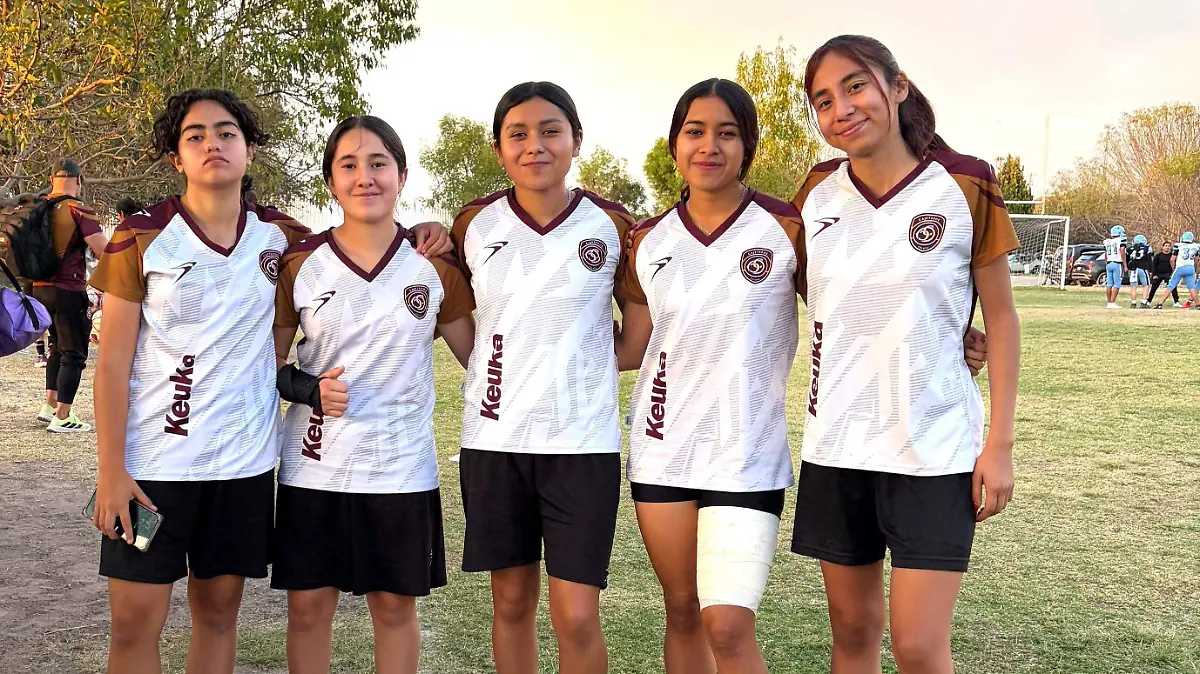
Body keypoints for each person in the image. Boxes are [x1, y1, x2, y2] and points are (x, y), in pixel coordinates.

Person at [614, 78, 991, 674]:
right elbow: (629, 346)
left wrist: (954, 338)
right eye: (694, 131)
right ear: (673, 145)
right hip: (662, 450)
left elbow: (861, 293)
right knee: (682, 611)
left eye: (727, 133)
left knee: (727, 624)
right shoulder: (645, 237)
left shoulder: (788, 224)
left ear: (749, 147)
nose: (708, 146)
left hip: (747, 454)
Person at [87, 87, 454, 674]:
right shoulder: (142, 236)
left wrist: (426, 229)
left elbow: (360, 240)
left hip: (243, 470)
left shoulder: (281, 240)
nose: (213, 144)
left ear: (250, 149)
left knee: (218, 614)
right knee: (134, 623)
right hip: (153, 470)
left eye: (227, 132)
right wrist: (110, 472)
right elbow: (111, 364)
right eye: (196, 136)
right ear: (176, 156)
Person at [790, 35, 1020, 674]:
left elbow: (1000, 319)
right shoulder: (816, 192)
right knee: (853, 635)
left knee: (918, 646)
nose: (842, 108)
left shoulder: (964, 181)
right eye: (824, 100)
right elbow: (813, 294)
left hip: (935, 449)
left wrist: (997, 447)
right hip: (838, 445)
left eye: (856, 86)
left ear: (897, 85)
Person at [271, 116, 475, 674]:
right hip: (315, 466)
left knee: (393, 608)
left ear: (402, 175)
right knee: (309, 609)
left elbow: (478, 359)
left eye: (379, 163)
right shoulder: (300, 264)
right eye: (349, 165)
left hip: (400, 468)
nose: (366, 177)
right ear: (331, 182)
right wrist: (307, 389)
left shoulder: (434, 267)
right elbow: (258, 366)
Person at [449, 81, 636, 674]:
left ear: (576, 141)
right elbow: (462, 325)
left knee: (577, 614)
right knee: (510, 601)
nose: (536, 145)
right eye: (519, 134)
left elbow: (633, 340)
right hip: (496, 443)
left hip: (582, 447)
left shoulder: (613, 226)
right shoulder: (472, 224)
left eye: (550, 130)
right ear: (499, 148)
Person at [32, 158, 108, 430]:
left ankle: (50, 404)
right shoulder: (78, 210)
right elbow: (103, 251)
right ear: (78, 180)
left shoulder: (37, 207)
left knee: (56, 347)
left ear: (52, 180)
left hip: (38, 291)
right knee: (74, 352)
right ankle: (63, 417)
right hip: (68, 289)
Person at [1157, 231, 1198, 310]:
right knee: (1192, 287)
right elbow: (1196, 259)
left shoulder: (1178, 245)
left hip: (1180, 267)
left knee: (1171, 286)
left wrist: (1174, 268)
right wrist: (1193, 266)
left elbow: (1172, 259)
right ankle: (1198, 305)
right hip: (1190, 268)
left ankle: (1160, 303)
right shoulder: (1196, 246)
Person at [1148, 240, 1181, 308]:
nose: (1167, 247)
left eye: (1169, 246)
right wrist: (1154, 275)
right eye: (1166, 246)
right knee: (1153, 287)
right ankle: (1148, 301)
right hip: (1158, 274)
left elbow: (1174, 264)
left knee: (1173, 287)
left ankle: (1176, 301)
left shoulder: (1172, 256)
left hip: (1168, 274)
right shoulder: (1158, 256)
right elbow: (1154, 266)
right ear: (1163, 247)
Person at [1102, 225, 1127, 309]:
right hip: (1117, 263)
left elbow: (1105, 254)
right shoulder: (1120, 240)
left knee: (1109, 284)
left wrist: (1106, 262)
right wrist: (1125, 264)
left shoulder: (1107, 241)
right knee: (1117, 283)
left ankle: (1109, 302)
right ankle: (1112, 302)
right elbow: (1122, 251)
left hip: (1109, 263)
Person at [1126, 234, 1152, 308]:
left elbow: (1127, 259)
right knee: (1146, 285)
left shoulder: (1129, 249)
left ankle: (1133, 303)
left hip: (1133, 269)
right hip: (1142, 268)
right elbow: (1149, 259)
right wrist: (1151, 270)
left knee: (1133, 286)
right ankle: (1143, 302)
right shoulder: (1147, 248)